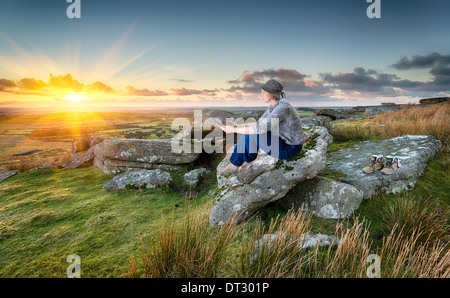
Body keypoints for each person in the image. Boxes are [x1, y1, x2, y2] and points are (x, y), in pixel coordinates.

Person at [218, 79, 305, 174]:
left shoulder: (283, 107)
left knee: (253, 133)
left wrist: (233, 130)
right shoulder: (273, 107)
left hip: (290, 148)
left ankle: (237, 163)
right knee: (248, 133)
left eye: (263, 92)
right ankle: (236, 163)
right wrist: (237, 126)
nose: (261, 95)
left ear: (270, 93)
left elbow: (259, 128)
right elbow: (258, 123)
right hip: (281, 141)